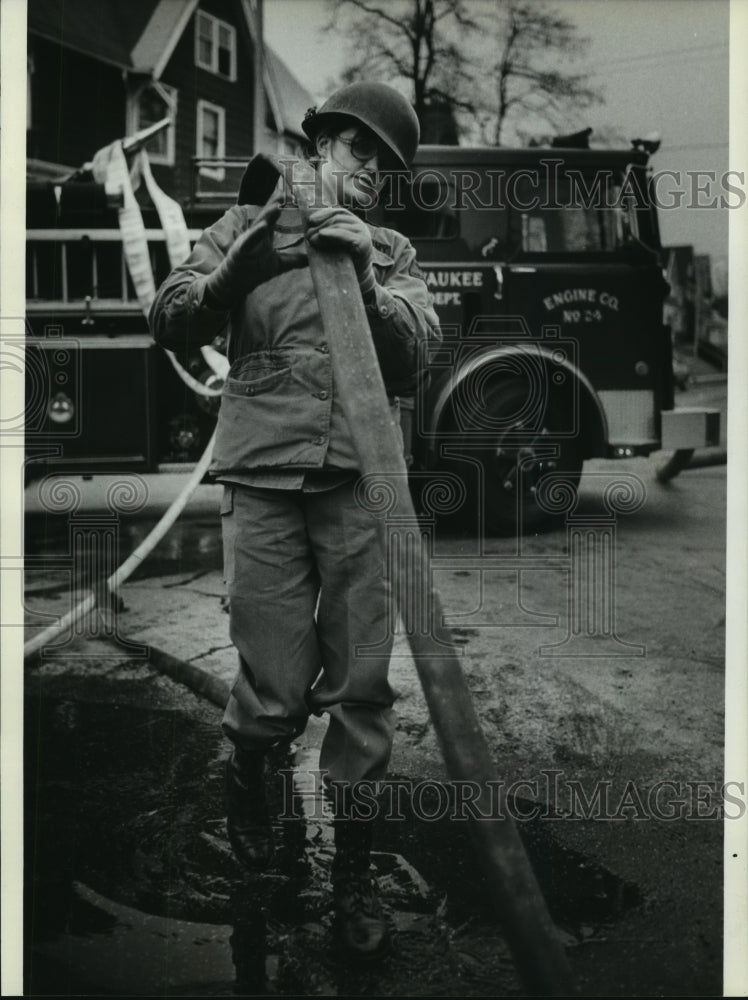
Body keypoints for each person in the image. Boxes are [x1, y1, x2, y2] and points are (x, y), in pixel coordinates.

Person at [149, 81, 439, 960]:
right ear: (323, 144)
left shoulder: (390, 250)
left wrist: (369, 281)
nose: (367, 178)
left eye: (383, 170)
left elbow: (417, 357)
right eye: (357, 154)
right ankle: (263, 862)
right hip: (265, 479)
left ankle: (350, 878)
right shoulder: (243, 225)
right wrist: (237, 272)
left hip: (361, 485)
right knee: (269, 687)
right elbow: (165, 315)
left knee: (360, 688)